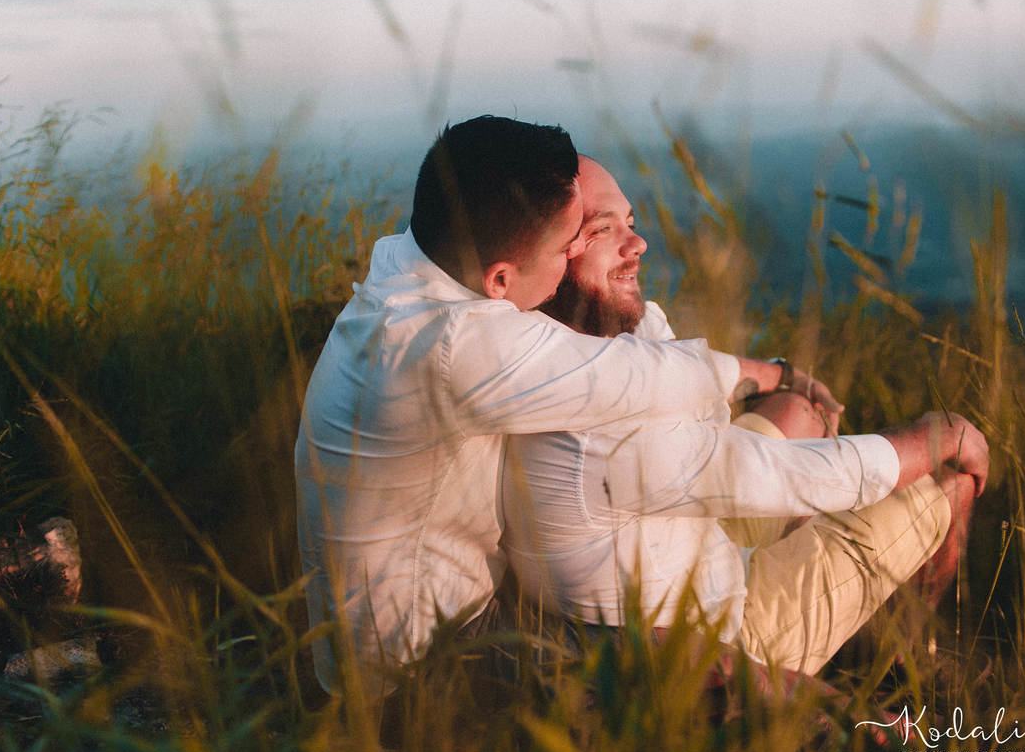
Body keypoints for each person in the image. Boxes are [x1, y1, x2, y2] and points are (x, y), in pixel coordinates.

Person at [294, 117, 832, 691]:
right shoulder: (455, 346)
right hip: (426, 667)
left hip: (370, 640)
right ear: (500, 280)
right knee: (694, 658)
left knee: (784, 427)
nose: (576, 254)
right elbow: (627, 376)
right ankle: (845, 724)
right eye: (568, 245)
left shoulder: (404, 267)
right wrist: (768, 372)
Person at [499, 155, 988, 674]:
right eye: (603, 229)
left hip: (692, 542)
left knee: (804, 410)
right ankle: (901, 663)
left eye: (631, 223)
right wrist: (941, 434)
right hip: (719, 635)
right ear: (550, 252)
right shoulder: (590, 419)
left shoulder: (582, 333)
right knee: (946, 473)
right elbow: (785, 474)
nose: (637, 243)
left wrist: (779, 374)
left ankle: (845, 599)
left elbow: (681, 372)